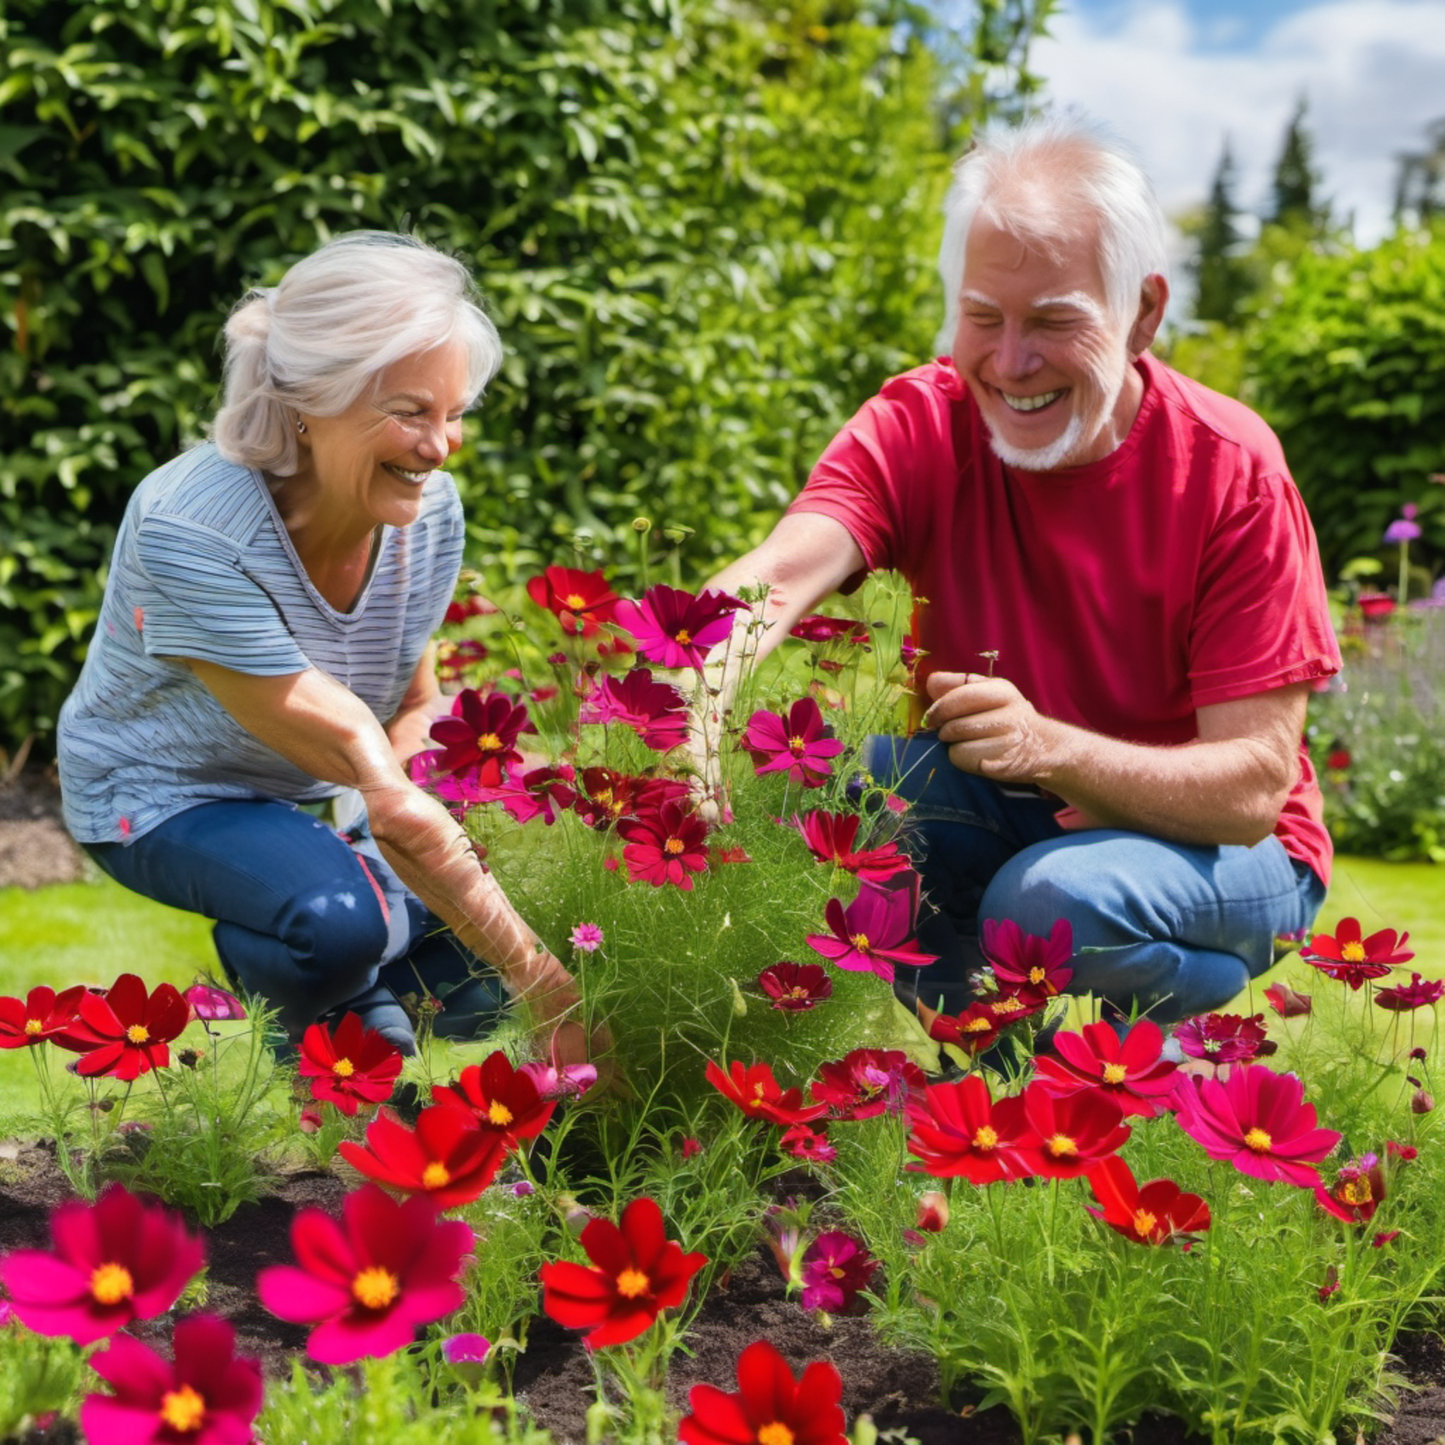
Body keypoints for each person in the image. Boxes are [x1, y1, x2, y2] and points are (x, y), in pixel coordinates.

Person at [702, 117, 1341, 1025]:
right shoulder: (923, 423)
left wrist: (1052, 749)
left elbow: (1248, 789)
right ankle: (984, 1077)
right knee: (812, 795)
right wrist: (690, 691)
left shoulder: (1230, 468)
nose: (1009, 363)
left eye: (1053, 322)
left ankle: (1184, 1031)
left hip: (1227, 852)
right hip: (1013, 804)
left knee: (1045, 907)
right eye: (982, 318)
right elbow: (779, 571)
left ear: (1143, 315)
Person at [58, 232, 589, 1059]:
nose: (438, 446)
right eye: (410, 412)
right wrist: (551, 988)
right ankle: (324, 971)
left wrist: (448, 875)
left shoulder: (428, 512)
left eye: (452, 415)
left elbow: (414, 704)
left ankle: (329, 974)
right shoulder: (189, 526)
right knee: (343, 921)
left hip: (319, 790)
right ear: (309, 397)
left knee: (472, 965)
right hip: (166, 792)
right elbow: (351, 741)